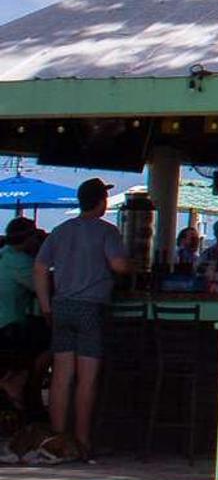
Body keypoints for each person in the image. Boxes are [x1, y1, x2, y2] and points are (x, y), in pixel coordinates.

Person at [31, 178, 131, 463]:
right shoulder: (106, 231)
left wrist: (46, 305)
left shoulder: (60, 231)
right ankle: (83, 442)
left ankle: (57, 440)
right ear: (101, 201)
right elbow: (118, 265)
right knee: (87, 379)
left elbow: (39, 268)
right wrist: (132, 262)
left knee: (62, 377)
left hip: (62, 306)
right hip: (91, 308)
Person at [1, 219, 50, 418]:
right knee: (55, 344)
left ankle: (19, 378)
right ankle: (21, 380)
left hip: (6, 326)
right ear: (29, 239)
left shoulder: (4, 254)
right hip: (7, 329)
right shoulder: (21, 261)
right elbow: (45, 286)